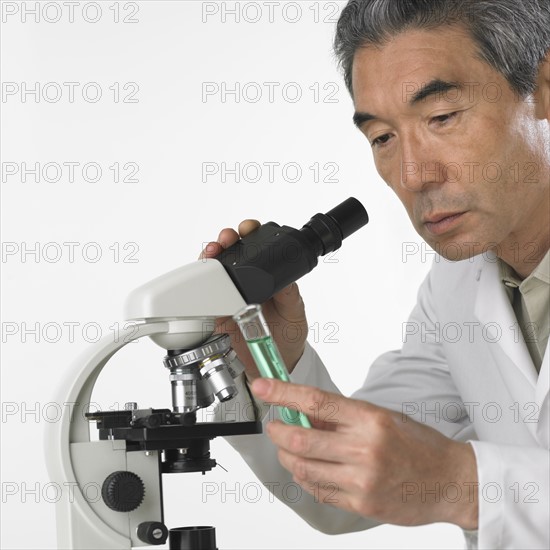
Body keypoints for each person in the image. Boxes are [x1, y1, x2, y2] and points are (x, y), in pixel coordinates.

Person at [201, 1, 550, 548]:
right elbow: (344, 487)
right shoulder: (457, 289)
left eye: (441, 117)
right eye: (383, 138)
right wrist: (271, 357)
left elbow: (449, 480)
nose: (413, 175)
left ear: (545, 88)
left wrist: (465, 485)